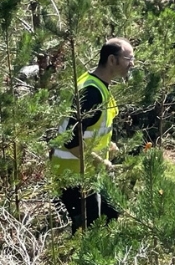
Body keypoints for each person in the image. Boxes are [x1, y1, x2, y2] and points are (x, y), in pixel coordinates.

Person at [49, 38, 134, 232]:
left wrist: (108, 145)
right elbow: (71, 140)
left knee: (112, 213)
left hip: (88, 172)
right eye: (129, 59)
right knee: (89, 230)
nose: (132, 64)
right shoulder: (91, 91)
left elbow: (90, 128)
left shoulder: (99, 86)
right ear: (112, 60)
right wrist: (99, 160)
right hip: (73, 174)